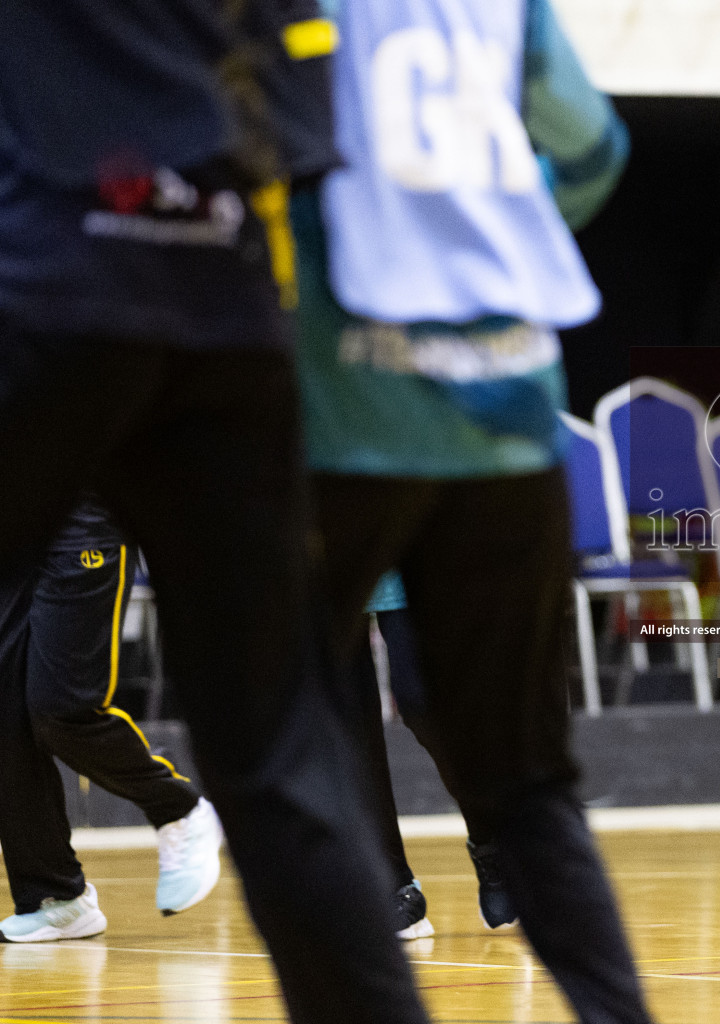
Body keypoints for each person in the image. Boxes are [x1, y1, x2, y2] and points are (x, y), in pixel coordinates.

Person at [0, 3, 430, 1022]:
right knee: (273, 752)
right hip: (217, 321)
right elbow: (310, 139)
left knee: (264, 734)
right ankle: (61, 886)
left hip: (86, 315)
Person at [292, 0, 653, 1019]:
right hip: (509, 405)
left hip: (356, 409)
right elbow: (592, 149)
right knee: (536, 782)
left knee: (287, 756)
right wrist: (487, 236)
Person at [0, 498, 222, 940]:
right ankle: (56, 896)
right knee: (4, 718)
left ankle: (178, 808)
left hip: (82, 513)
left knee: (62, 709)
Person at [349, 573, 515, 938]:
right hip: (322, 560)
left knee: (425, 704)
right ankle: (394, 884)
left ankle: (491, 842)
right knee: (350, 731)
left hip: (402, 548)